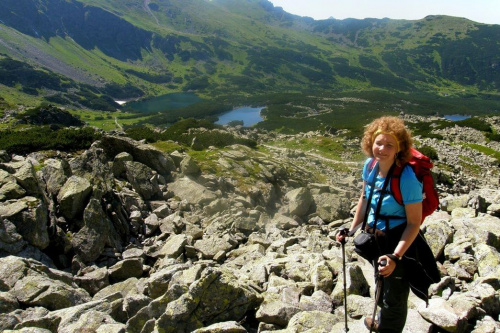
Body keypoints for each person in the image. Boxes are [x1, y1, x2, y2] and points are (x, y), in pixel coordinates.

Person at [336, 116, 439, 332]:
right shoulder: (370, 166)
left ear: (399, 148)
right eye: (378, 142)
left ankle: (388, 328)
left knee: (395, 294)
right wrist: (352, 228)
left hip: (398, 240)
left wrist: (396, 256)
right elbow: (365, 197)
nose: (382, 149)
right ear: (370, 142)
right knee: (381, 282)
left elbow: (414, 223)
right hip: (377, 238)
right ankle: (382, 322)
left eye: (389, 145)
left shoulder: (407, 178)